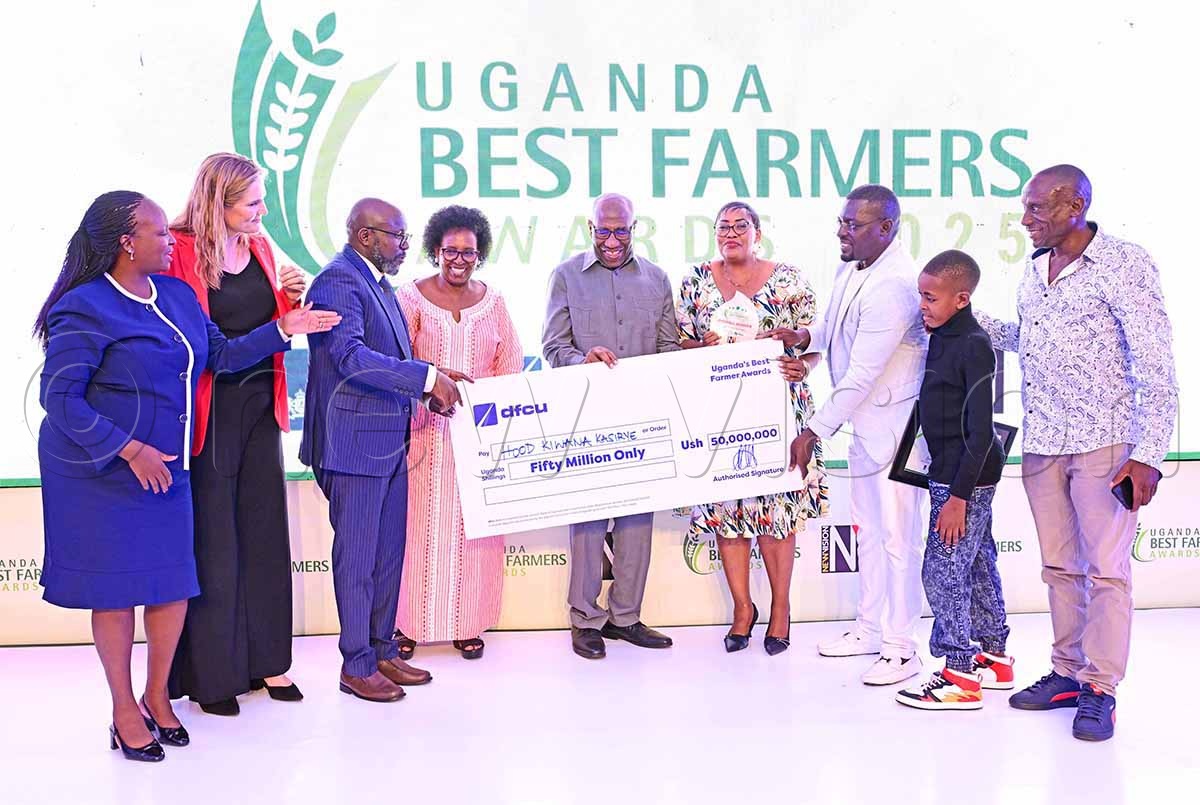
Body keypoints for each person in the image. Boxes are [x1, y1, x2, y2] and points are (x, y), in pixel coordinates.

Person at [34, 191, 338, 761]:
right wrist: (129, 450)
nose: (170, 240)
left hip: (170, 468)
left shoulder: (176, 294)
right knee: (118, 594)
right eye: (157, 233)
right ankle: (125, 710)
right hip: (107, 473)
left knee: (174, 587)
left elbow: (220, 355)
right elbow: (61, 399)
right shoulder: (83, 306)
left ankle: (157, 696)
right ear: (127, 243)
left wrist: (283, 327)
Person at [977, 165, 1178, 741]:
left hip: (1106, 443)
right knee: (1059, 568)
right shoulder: (1035, 266)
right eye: (1027, 207)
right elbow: (1029, 337)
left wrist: (1150, 454)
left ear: (1076, 206)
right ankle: (1067, 672)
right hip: (1042, 441)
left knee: (1106, 573)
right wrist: (968, 319)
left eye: (1038, 208)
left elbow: (1156, 361)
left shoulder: (1124, 263)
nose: (1026, 218)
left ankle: (1101, 688)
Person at [301, 198, 460, 702]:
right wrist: (426, 378)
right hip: (352, 446)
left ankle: (382, 650)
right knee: (358, 557)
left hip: (389, 441)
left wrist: (432, 379)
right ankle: (356, 663)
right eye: (398, 236)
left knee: (387, 554)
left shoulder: (378, 282)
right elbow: (348, 356)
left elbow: (392, 358)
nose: (406, 245)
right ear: (366, 236)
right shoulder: (338, 280)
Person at [165, 153, 307, 716]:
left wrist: (292, 300)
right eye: (252, 203)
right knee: (217, 546)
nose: (263, 212)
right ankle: (216, 676)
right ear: (216, 204)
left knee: (265, 535)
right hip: (209, 411)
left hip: (259, 408)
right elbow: (208, 352)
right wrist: (280, 326)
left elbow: (275, 327)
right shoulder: (178, 253)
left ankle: (269, 662)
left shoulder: (263, 248)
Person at [777, 184, 929, 686]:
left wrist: (813, 431)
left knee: (898, 540)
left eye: (854, 224)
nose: (842, 231)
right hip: (866, 429)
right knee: (868, 532)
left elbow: (861, 374)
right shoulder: (855, 265)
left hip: (898, 430)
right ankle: (869, 628)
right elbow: (832, 323)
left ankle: (902, 647)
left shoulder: (896, 285)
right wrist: (804, 338)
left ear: (886, 228)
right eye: (842, 221)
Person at [677, 201, 829, 655]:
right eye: (723, 226)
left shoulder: (789, 279)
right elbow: (678, 342)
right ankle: (743, 610)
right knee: (728, 512)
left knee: (777, 513)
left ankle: (780, 609)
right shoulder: (695, 281)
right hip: (720, 414)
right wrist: (697, 346)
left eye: (740, 225)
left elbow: (815, 342)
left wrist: (805, 366)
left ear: (757, 232)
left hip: (780, 411)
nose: (731, 233)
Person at [542, 192, 679, 660]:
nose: (613, 240)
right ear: (590, 227)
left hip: (644, 421)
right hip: (587, 421)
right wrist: (584, 359)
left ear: (635, 228)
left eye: (622, 230)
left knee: (638, 520)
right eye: (604, 230)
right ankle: (584, 620)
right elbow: (552, 348)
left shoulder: (658, 280)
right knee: (588, 522)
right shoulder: (564, 276)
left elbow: (668, 349)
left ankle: (626, 618)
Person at [393, 205, 523, 660]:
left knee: (476, 531)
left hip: (478, 440)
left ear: (480, 254)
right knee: (414, 529)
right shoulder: (408, 299)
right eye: (451, 251)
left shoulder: (494, 302)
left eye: (469, 252)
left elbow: (510, 367)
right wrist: (430, 382)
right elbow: (395, 361)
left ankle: (468, 625)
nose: (459, 260)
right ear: (434, 250)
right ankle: (406, 625)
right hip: (422, 434)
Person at [894, 250, 1010, 711]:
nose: (922, 305)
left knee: (941, 572)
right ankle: (993, 656)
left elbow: (982, 431)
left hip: (966, 475)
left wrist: (957, 497)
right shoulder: (941, 333)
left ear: (962, 299)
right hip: (953, 469)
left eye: (930, 297)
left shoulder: (974, 345)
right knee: (977, 561)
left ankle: (959, 674)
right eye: (921, 295)